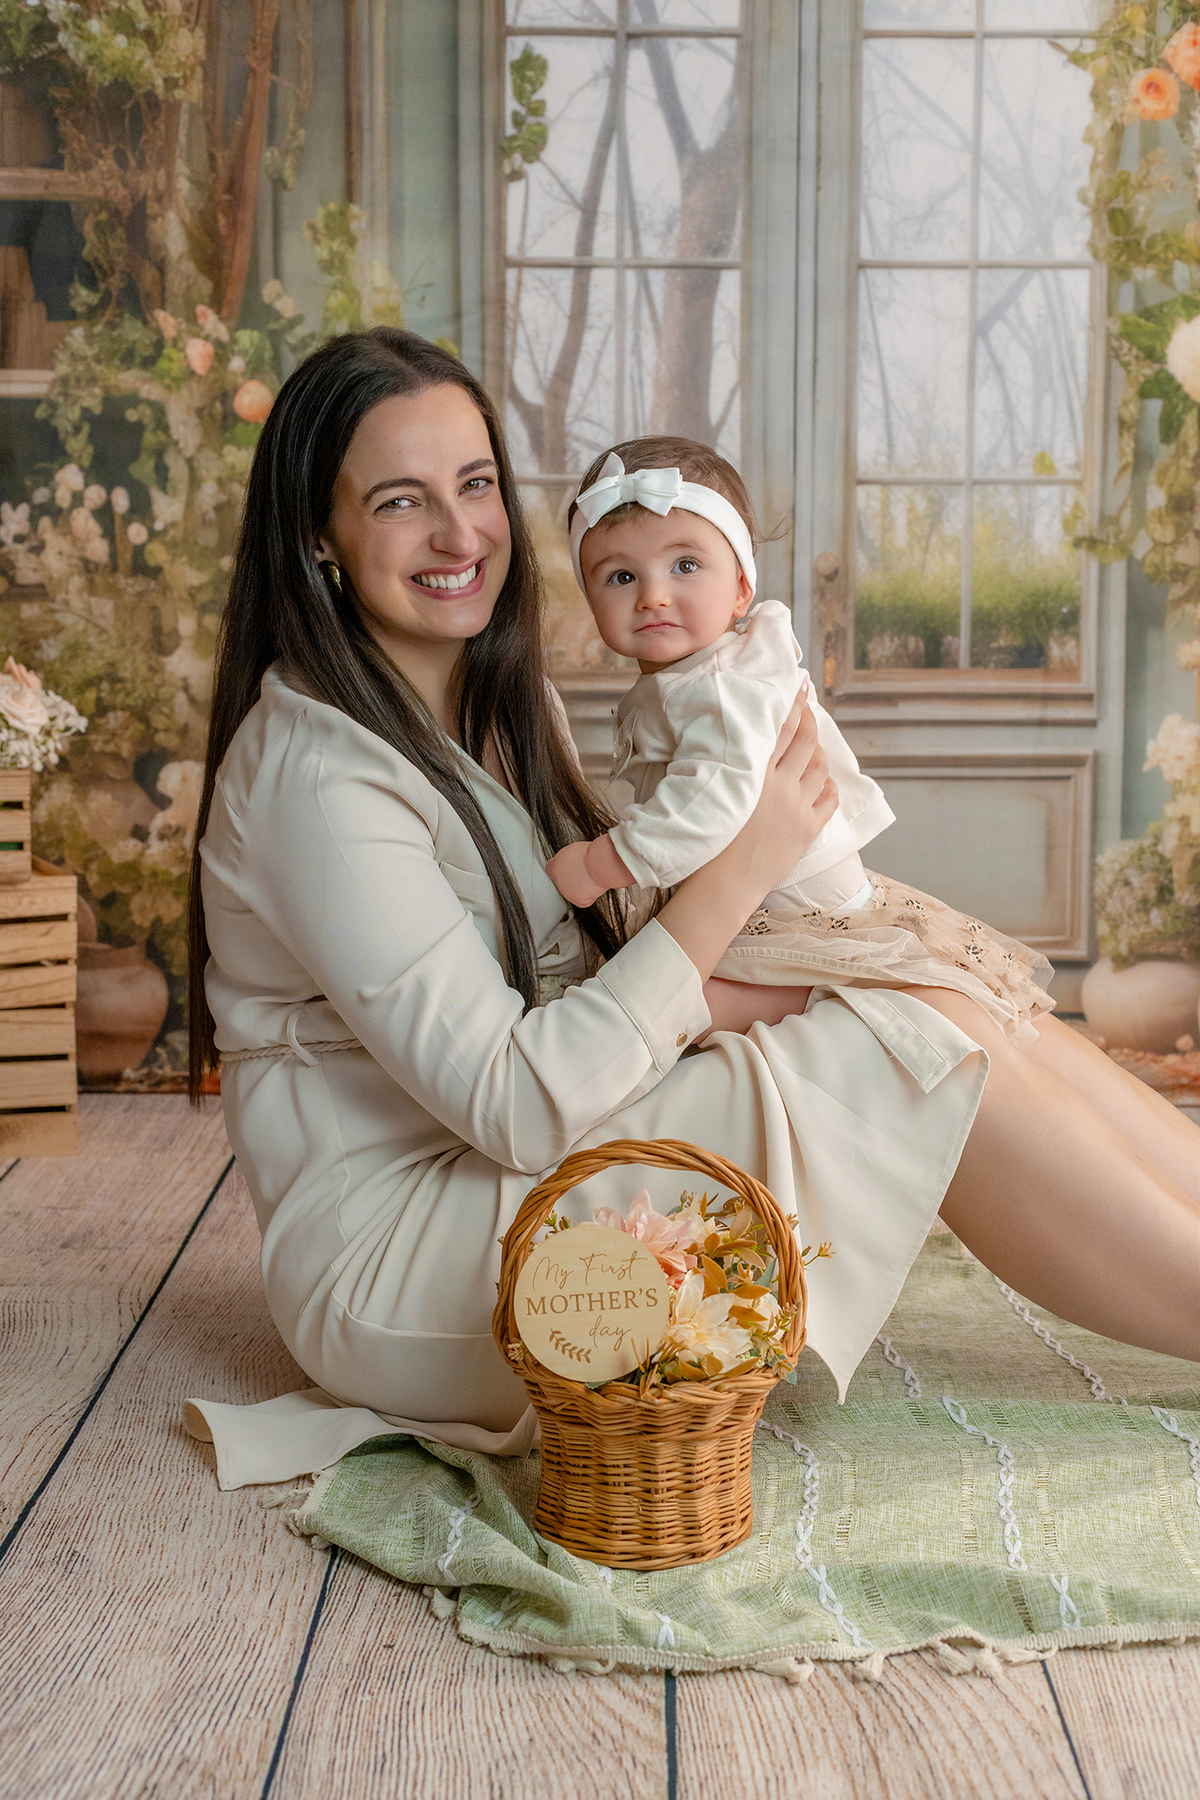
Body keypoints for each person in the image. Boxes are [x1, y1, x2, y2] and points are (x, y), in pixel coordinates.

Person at [184, 328, 1197, 1491]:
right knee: (916, 1049)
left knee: (935, 987)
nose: (461, 536)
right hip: (410, 1261)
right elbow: (514, 1101)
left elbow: (600, 968)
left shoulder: (500, 708)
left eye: (476, 487)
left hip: (526, 1153)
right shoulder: (319, 773)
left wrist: (808, 959)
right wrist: (749, 862)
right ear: (320, 534)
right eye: (403, 502)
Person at [546, 438, 1055, 1047]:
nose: (653, 594)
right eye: (622, 576)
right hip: (766, 887)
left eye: (684, 566)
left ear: (740, 588)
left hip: (791, 905)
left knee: (686, 1000)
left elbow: (712, 802)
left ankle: (820, 994)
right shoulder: (695, 674)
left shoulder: (722, 686)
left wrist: (600, 864)